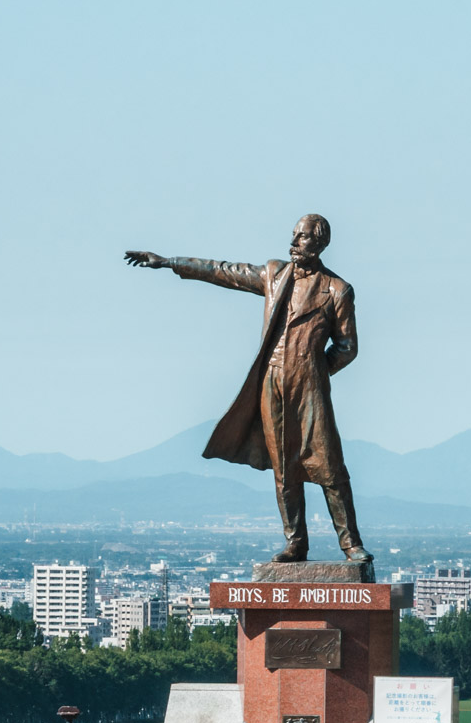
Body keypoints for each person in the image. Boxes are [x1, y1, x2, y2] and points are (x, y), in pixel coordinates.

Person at [125, 214, 370, 564]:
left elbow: (347, 347)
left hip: (310, 389)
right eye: (294, 235)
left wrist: (314, 371)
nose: (294, 242)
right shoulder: (275, 274)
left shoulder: (337, 290)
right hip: (272, 383)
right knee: (283, 468)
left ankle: (351, 544)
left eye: (301, 237)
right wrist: (169, 262)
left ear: (320, 243)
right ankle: (295, 543)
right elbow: (225, 272)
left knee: (330, 467)